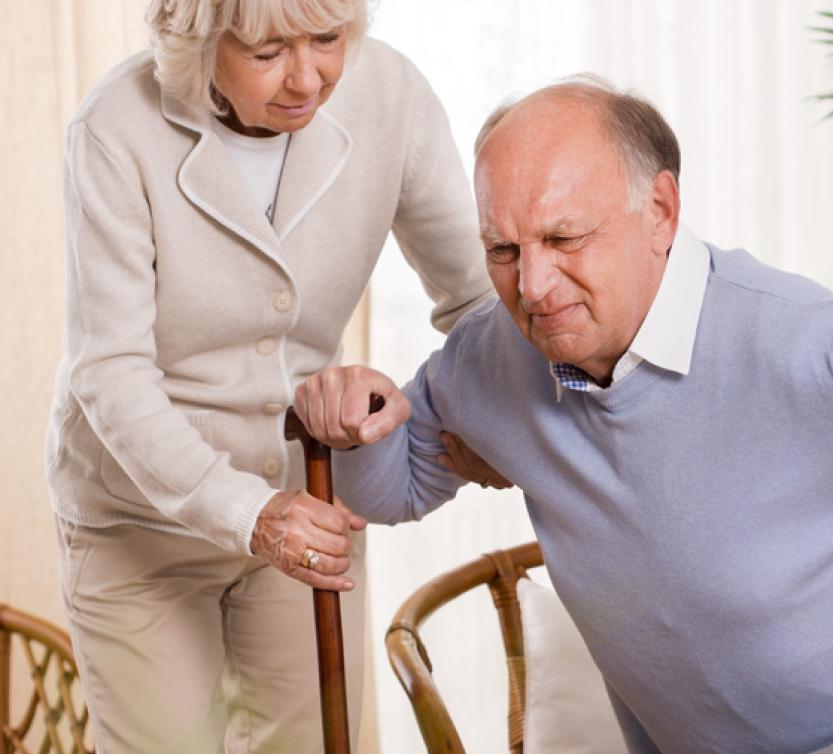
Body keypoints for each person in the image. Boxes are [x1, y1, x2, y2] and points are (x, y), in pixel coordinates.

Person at [293, 79, 833, 754]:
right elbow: (396, 486)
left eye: (565, 240)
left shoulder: (828, 353)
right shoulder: (500, 353)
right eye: (503, 249)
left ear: (662, 213)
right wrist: (356, 424)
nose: (532, 286)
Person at [44, 0, 495, 751]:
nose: (307, 76)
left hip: (305, 490)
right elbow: (111, 371)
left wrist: (497, 429)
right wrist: (251, 515)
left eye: (327, 37)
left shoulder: (393, 97)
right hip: (137, 518)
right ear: (197, 39)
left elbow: (477, 296)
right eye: (267, 51)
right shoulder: (115, 130)